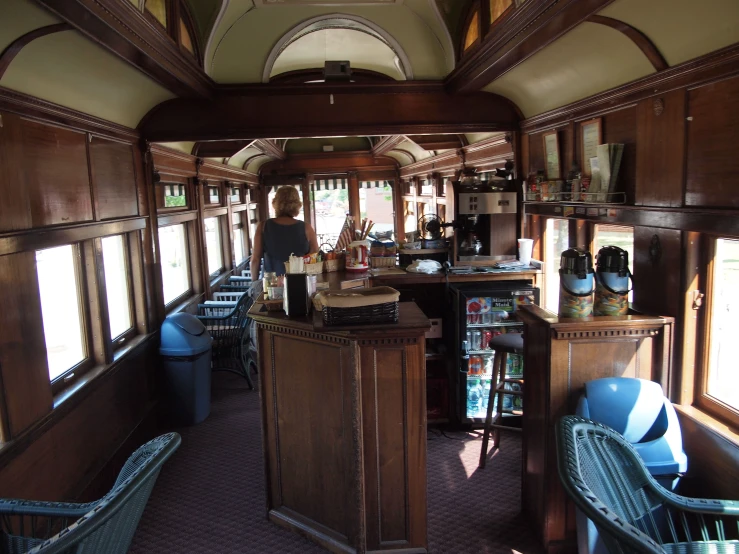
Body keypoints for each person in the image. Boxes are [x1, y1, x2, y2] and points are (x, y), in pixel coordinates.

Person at [250, 186, 319, 279]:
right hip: (300, 283)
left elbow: (255, 259)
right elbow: (314, 257)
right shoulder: (307, 228)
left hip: (271, 285)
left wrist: (254, 283)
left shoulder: (263, 227)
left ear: (275, 203)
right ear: (297, 204)